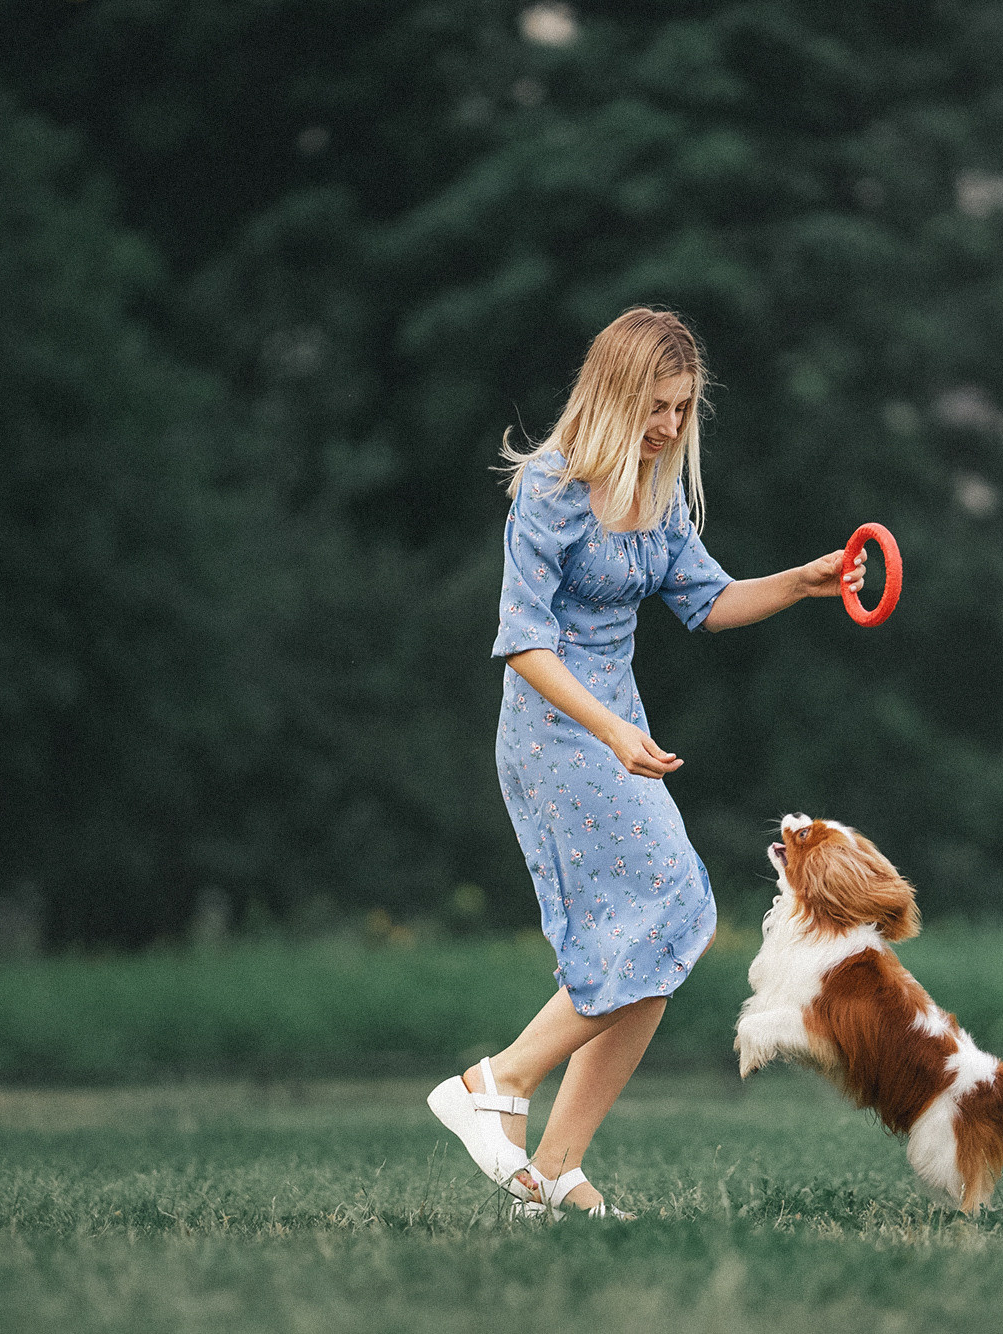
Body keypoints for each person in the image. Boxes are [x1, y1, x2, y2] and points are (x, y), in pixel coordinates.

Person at [428, 307, 865, 1219]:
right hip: (555, 735)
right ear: (614, 394)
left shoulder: (659, 496)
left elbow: (707, 603)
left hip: (621, 737)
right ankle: (491, 1083)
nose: (670, 426)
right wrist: (613, 731)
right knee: (678, 909)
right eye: (656, 406)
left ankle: (551, 1170)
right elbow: (522, 644)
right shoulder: (552, 490)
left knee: (650, 945)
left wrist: (802, 582)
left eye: (683, 409)